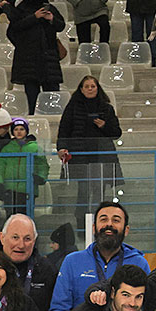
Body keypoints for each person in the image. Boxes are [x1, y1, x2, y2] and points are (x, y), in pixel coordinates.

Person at [50, 202, 150, 311]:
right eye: (103, 219)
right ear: (94, 228)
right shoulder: (72, 261)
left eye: (116, 220)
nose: (109, 224)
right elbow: (59, 308)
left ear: (126, 230)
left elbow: (146, 307)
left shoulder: (139, 263)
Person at [56, 76, 122, 229]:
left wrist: (104, 126)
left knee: (99, 191)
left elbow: (116, 133)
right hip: (81, 157)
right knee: (83, 191)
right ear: (81, 89)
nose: (90, 89)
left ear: (97, 88)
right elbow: (64, 130)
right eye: (87, 86)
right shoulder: (72, 108)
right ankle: (82, 223)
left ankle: (100, 223)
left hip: (102, 157)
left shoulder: (107, 108)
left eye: (93, 86)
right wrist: (61, 148)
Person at [5, 0, 65, 114]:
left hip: (48, 56)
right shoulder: (21, 9)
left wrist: (51, 19)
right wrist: (34, 17)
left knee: (52, 97)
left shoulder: (49, 7)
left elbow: (61, 26)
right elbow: (14, 29)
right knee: (32, 98)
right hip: (29, 59)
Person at [0, 117, 49, 217]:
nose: (19, 132)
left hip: (28, 190)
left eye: (22, 129)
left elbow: (43, 165)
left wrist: (41, 177)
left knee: (26, 217)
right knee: (10, 217)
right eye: (16, 129)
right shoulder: (7, 148)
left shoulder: (35, 148)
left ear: (26, 131)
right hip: (10, 190)